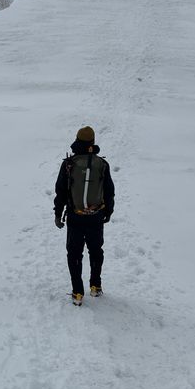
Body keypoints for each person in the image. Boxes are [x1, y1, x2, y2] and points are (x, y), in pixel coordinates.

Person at [54, 126, 115, 305]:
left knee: (74, 253)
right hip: (96, 216)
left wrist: (58, 214)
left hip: (75, 215)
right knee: (96, 251)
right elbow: (109, 191)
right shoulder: (102, 164)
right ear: (92, 142)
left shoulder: (69, 164)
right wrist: (108, 211)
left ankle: (77, 292)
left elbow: (61, 192)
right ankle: (96, 286)